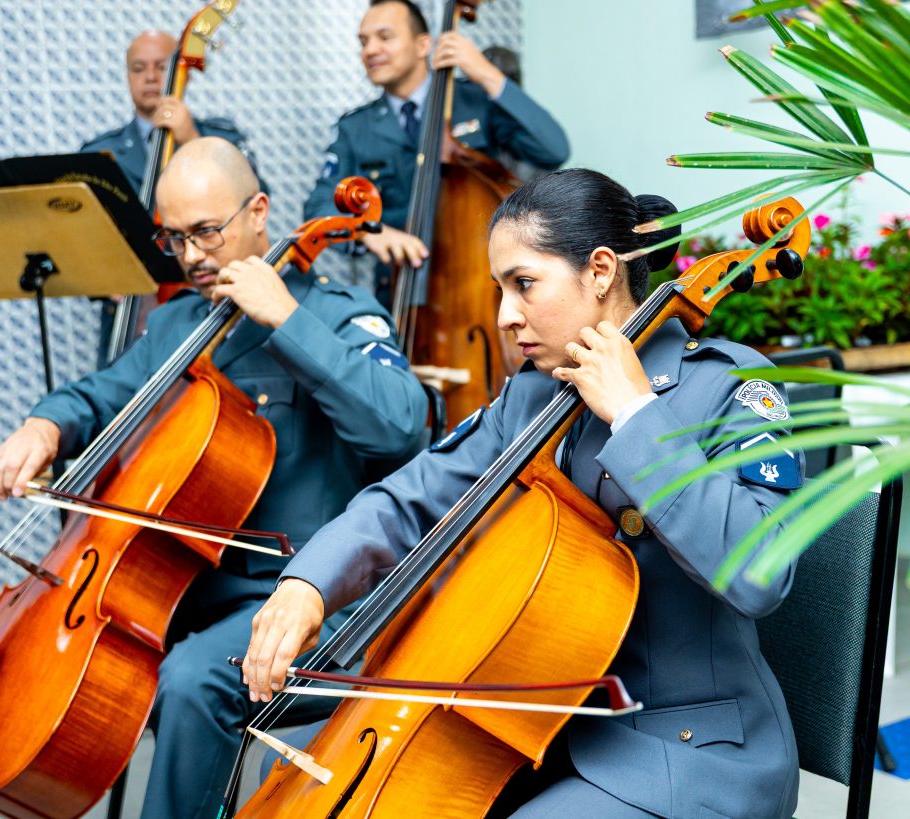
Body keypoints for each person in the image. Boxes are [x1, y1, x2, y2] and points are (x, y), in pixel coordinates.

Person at [244, 169, 803, 818]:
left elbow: (762, 573)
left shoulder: (726, 387)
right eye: (500, 289)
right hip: (536, 732)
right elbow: (408, 498)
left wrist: (635, 413)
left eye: (525, 284)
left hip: (685, 756)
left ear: (601, 272)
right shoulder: (536, 395)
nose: (505, 316)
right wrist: (307, 584)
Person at [0, 137, 428, 819]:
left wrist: (286, 319)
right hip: (178, 588)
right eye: (174, 239)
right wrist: (45, 426)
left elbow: (402, 426)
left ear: (258, 212)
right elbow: (101, 392)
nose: (193, 256)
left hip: (298, 598)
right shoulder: (178, 321)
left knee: (196, 678)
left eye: (207, 231)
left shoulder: (336, 314)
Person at [305, 0, 569, 303]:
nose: (370, 50)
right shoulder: (355, 128)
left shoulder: (473, 101)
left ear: (423, 45)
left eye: (385, 37)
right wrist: (368, 232)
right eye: (364, 42)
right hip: (400, 294)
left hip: (481, 287)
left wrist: (485, 73)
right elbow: (318, 207)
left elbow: (553, 149)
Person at [82, 29, 261, 368]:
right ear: (127, 76)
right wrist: (100, 278)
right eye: (138, 68)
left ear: (183, 73)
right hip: (131, 317)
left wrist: (191, 138)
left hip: (209, 300)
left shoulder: (221, 136)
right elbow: (79, 238)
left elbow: (253, 197)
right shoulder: (100, 153)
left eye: (161, 66)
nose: (150, 77)